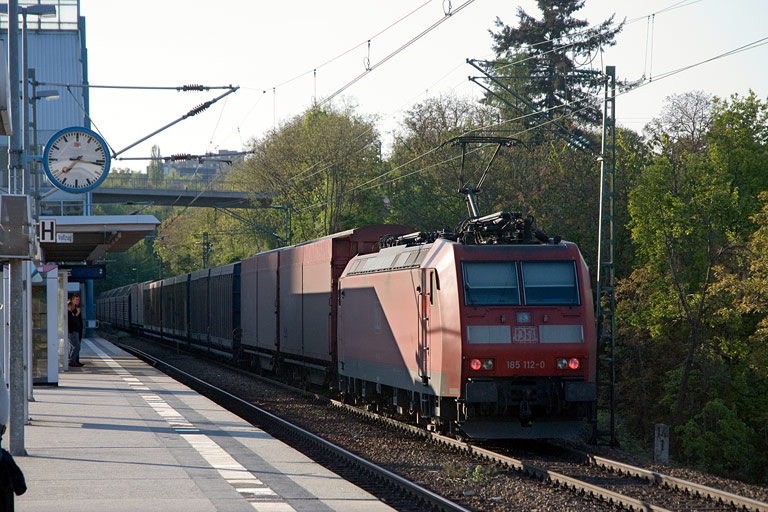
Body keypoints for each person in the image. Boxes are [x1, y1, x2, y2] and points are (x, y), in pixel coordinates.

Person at [67, 295, 84, 367]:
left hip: (77, 330)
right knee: (76, 346)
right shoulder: (71, 311)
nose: (77, 301)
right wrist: (77, 313)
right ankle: (73, 361)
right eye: (76, 300)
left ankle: (75, 360)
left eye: (78, 300)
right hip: (72, 331)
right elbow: (72, 321)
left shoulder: (76, 308)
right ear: (72, 300)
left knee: (75, 346)